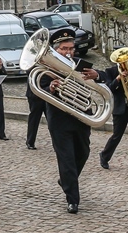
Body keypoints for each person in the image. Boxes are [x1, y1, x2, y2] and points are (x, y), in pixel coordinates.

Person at [40, 27, 99, 214]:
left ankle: (66, 180)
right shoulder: (46, 68)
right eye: (64, 49)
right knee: (66, 159)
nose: (68, 52)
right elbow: (35, 88)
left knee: (83, 153)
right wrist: (50, 86)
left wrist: (96, 76)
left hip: (81, 116)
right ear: (55, 50)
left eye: (71, 48)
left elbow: (95, 83)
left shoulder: (80, 64)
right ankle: (73, 199)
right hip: (59, 119)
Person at [24, 78, 45, 151]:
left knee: (52, 121)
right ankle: (30, 142)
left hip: (48, 93)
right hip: (35, 95)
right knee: (34, 120)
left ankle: (57, 144)